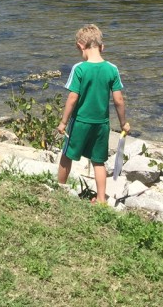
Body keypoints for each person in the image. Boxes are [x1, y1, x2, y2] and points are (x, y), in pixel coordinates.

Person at [55, 23, 130, 204]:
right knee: (98, 161)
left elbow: (73, 98)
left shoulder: (79, 69)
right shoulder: (112, 69)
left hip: (80, 121)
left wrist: (63, 122)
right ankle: (102, 198)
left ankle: (60, 190)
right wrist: (123, 123)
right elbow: (119, 100)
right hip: (102, 123)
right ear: (102, 47)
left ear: (80, 46)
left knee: (67, 156)